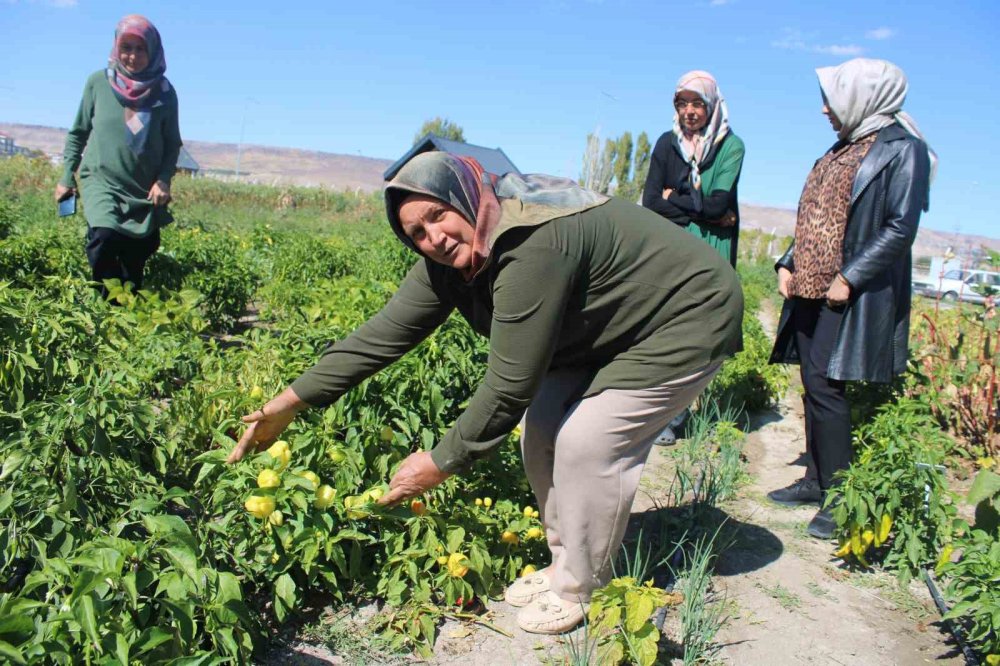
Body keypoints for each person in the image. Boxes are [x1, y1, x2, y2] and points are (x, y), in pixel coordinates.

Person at [227, 151, 743, 634]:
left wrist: (440, 461)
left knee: (589, 443)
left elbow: (508, 386)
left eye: (438, 214)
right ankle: (566, 563)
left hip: (686, 315)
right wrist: (287, 404)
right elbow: (381, 336)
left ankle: (584, 589)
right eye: (417, 232)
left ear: (463, 195)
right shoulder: (450, 263)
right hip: (606, 327)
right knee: (540, 431)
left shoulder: (528, 245)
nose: (435, 236)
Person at [767, 58, 934, 539]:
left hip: (846, 290)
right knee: (812, 383)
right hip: (810, 283)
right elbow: (821, 214)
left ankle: (840, 498)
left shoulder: (904, 151)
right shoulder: (843, 147)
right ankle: (816, 481)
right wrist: (788, 260)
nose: (824, 109)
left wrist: (852, 277)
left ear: (866, 97)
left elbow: (900, 226)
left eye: (833, 99)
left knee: (827, 387)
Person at [55, 15, 181, 295]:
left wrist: (163, 180)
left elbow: (172, 144)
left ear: (153, 50)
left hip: (140, 188)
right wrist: (66, 177)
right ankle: (105, 305)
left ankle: (125, 318)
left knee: (137, 252)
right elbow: (78, 132)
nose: (132, 56)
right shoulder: (98, 83)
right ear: (116, 48)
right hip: (101, 178)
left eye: (140, 48)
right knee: (104, 233)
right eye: (127, 47)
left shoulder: (164, 93)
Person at [642, 70, 745, 268]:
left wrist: (672, 198)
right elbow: (651, 202)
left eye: (697, 103)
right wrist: (709, 219)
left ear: (712, 104)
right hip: (668, 245)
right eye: (682, 103)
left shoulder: (731, 147)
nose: (689, 111)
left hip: (711, 248)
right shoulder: (667, 143)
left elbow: (716, 207)